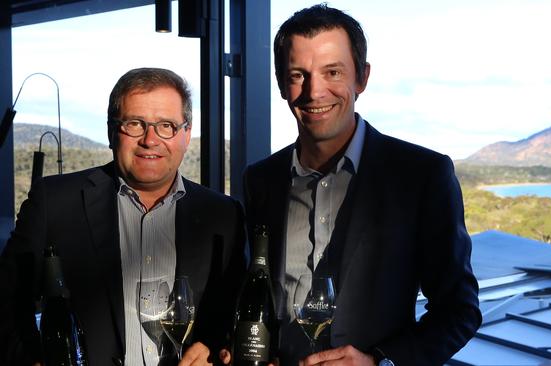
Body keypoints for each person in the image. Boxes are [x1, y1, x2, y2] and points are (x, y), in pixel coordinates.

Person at [239, 4, 481, 366]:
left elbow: (459, 310)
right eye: (297, 75)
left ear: (361, 78)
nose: (314, 92)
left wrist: (380, 362)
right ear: (281, 84)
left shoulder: (422, 175)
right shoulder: (260, 180)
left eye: (332, 72)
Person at [0, 68, 246, 366]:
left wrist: (215, 346)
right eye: (134, 124)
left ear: (186, 134)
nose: (150, 139)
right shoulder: (54, 203)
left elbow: (233, 312)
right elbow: (6, 301)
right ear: (111, 131)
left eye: (166, 125)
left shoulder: (223, 215)